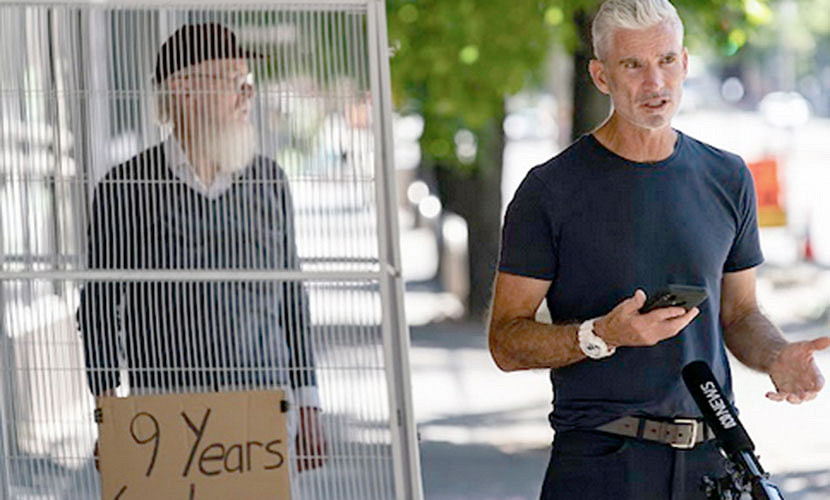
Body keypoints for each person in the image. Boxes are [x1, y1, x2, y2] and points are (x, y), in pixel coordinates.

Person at [488, 1, 830, 498]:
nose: (655, 83)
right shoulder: (550, 190)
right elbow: (505, 340)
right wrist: (599, 335)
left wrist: (776, 355)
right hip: (600, 465)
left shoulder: (728, 177)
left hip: (714, 464)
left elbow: (738, 314)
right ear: (601, 76)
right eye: (633, 65)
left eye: (667, 61)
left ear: (686, 63)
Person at [77, 23, 326, 473]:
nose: (248, 95)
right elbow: (97, 308)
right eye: (235, 82)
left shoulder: (269, 182)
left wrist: (308, 406)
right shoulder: (124, 188)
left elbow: (292, 298)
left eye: (248, 83)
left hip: (262, 414)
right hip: (164, 416)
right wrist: (106, 415)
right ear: (186, 90)